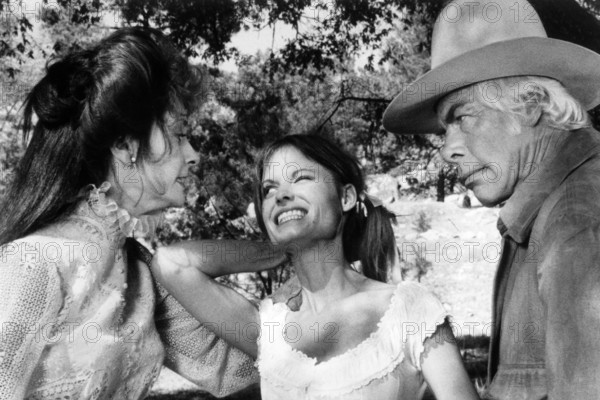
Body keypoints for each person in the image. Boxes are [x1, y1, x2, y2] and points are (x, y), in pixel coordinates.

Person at [0, 27, 288, 399]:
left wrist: (305, 252)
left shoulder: (140, 273)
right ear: (124, 145)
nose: (193, 153)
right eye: (180, 134)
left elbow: (248, 370)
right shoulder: (34, 263)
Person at [151, 134, 480, 399]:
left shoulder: (409, 308)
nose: (280, 196)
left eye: (300, 178)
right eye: (269, 190)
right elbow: (171, 264)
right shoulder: (267, 328)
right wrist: (275, 249)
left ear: (347, 198)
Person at [382, 0, 600, 398]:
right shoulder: (540, 215)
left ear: (531, 105)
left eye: (462, 118)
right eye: (443, 131)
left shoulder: (575, 219)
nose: (447, 151)